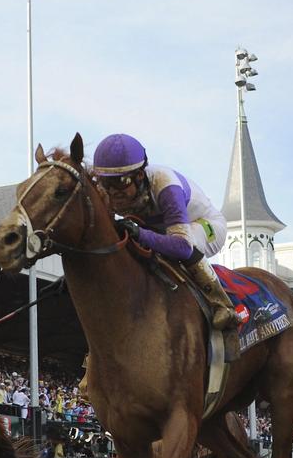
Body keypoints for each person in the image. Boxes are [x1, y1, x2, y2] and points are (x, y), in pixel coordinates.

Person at [91, 133, 237, 329]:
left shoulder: (165, 184)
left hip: (205, 226)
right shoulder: (107, 191)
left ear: (140, 175)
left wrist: (141, 234)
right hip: (160, 230)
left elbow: (182, 247)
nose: (114, 191)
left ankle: (222, 305)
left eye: (123, 182)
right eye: (107, 183)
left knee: (188, 241)